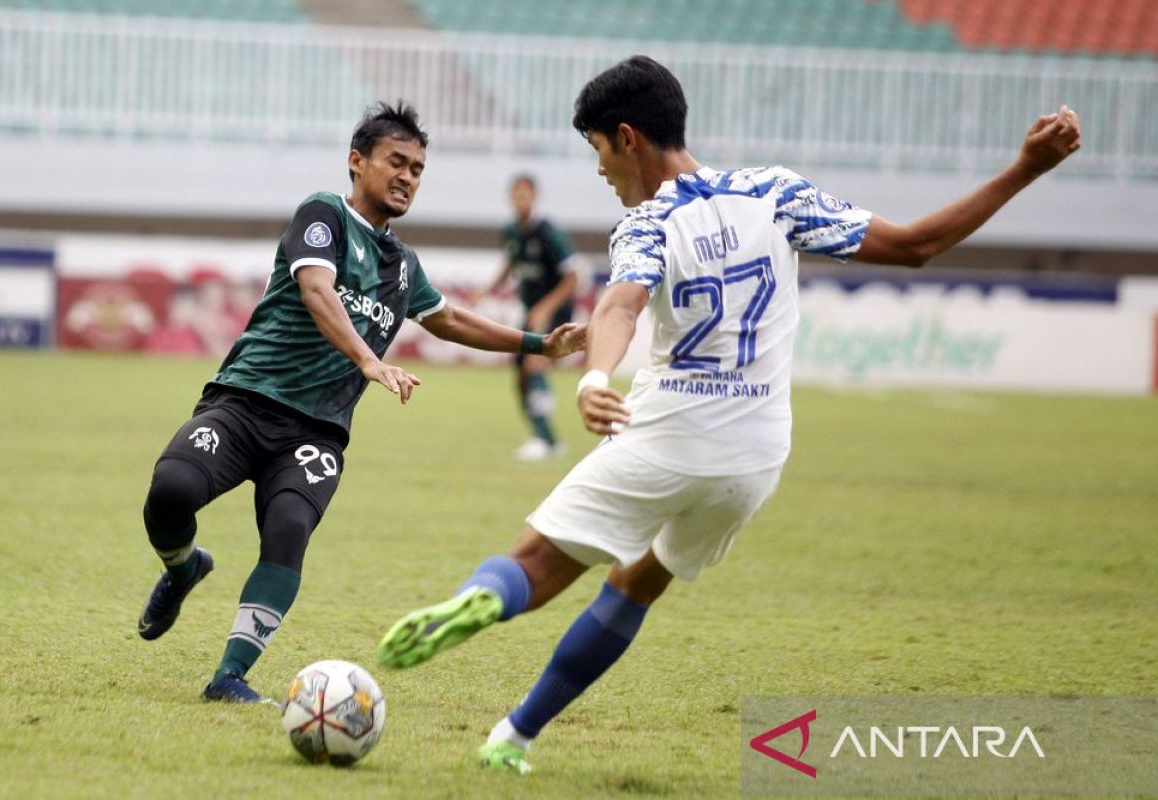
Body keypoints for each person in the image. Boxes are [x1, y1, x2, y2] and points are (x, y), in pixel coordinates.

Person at [376, 56, 1082, 773]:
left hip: (668, 433)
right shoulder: (773, 192)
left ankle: (481, 601)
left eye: (596, 151)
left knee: (534, 562)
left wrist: (594, 375)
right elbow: (915, 246)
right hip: (755, 458)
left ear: (627, 138)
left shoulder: (649, 223)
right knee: (638, 583)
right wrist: (1024, 167)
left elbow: (620, 305)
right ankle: (513, 737)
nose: (599, 173)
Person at [136, 101, 584, 703]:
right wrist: (368, 359)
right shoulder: (322, 215)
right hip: (245, 401)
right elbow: (318, 291)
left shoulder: (403, 266)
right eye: (396, 162)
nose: (408, 177)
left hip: (316, 431)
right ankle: (184, 566)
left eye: (418, 168)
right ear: (357, 161)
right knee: (170, 491)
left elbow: (448, 318)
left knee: (289, 529)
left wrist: (539, 344)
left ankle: (229, 677)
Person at [473, 175, 579, 461]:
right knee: (520, 376)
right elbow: (510, 263)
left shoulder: (548, 233)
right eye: (516, 195)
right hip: (532, 313)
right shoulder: (511, 231)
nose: (521, 200)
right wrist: (485, 291)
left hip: (554, 311)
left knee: (535, 366)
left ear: (534, 197)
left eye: (525, 195)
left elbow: (572, 277)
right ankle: (547, 438)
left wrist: (546, 308)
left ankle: (544, 439)